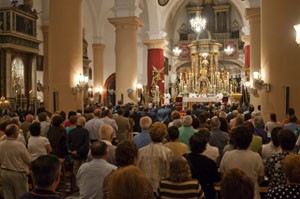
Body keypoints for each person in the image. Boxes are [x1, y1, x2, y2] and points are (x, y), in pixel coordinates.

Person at [220, 126, 264, 199]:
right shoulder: (256, 156)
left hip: (232, 194)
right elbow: (261, 177)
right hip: (252, 194)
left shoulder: (227, 155)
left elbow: (223, 175)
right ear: (250, 141)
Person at [137, 122, 174, 195]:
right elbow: (169, 173)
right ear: (164, 135)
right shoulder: (168, 152)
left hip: (145, 189)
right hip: (162, 190)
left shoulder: (141, 151)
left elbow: (138, 170)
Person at [183, 132, 220, 199]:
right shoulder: (209, 163)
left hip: (185, 191)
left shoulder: (183, 159)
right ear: (204, 147)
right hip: (205, 192)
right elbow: (216, 182)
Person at [0, 124, 32, 199]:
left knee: (8, 196)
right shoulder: (19, 145)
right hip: (18, 173)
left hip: (4, 172)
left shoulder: (0, 144)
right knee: (21, 196)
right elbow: (29, 160)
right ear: (15, 134)